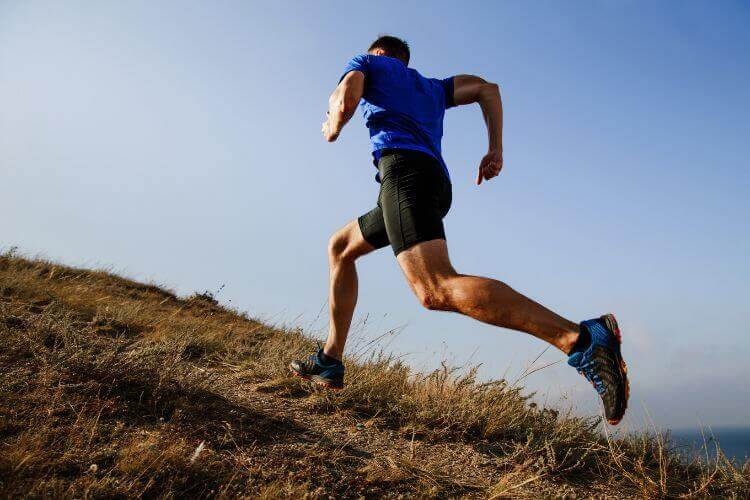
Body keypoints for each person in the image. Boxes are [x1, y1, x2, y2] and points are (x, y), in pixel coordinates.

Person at [289, 35, 629, 425]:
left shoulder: (369, 63)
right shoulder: (433, 88)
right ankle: (330, 360)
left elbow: (345, 94)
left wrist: (334, 122)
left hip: (404, 177)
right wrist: (495, 148)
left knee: (434, 288)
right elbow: (488, 89)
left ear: (379, 54)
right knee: (341, 247)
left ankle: (581, 339)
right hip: (430, 183)